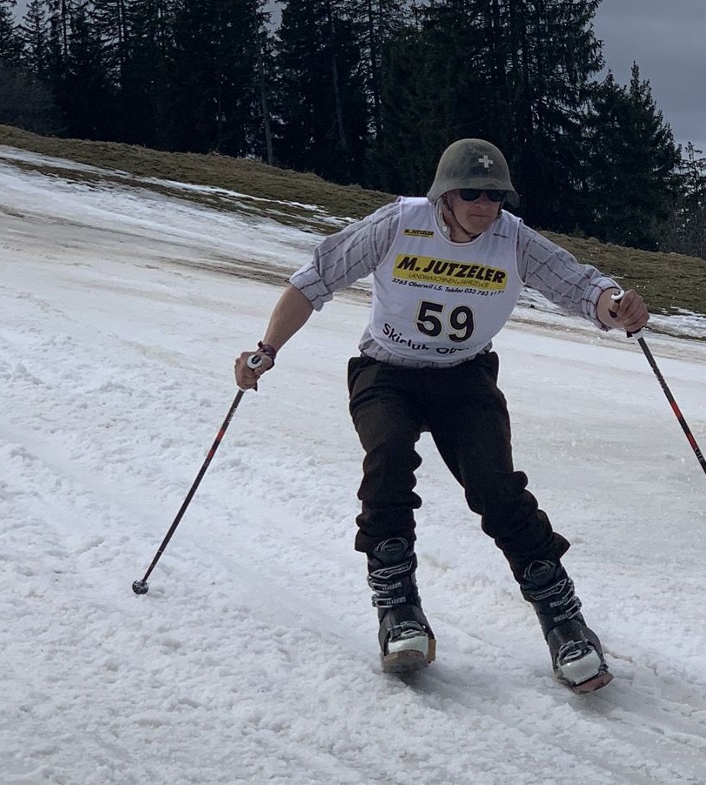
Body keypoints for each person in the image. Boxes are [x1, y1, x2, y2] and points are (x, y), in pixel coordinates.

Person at [234, 138, 649, 694]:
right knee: (387, 462)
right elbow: (315, 279)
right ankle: (398, 610)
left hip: (463, 376)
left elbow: (578, 285)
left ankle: (564, 621)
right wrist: (267, 349)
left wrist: (616, 305)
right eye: (471, 192)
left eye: (496, 194)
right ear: (444, 195)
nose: (485, 204)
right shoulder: (398, 224)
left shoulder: (513, 239)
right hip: (386, 372)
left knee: (497, 491)